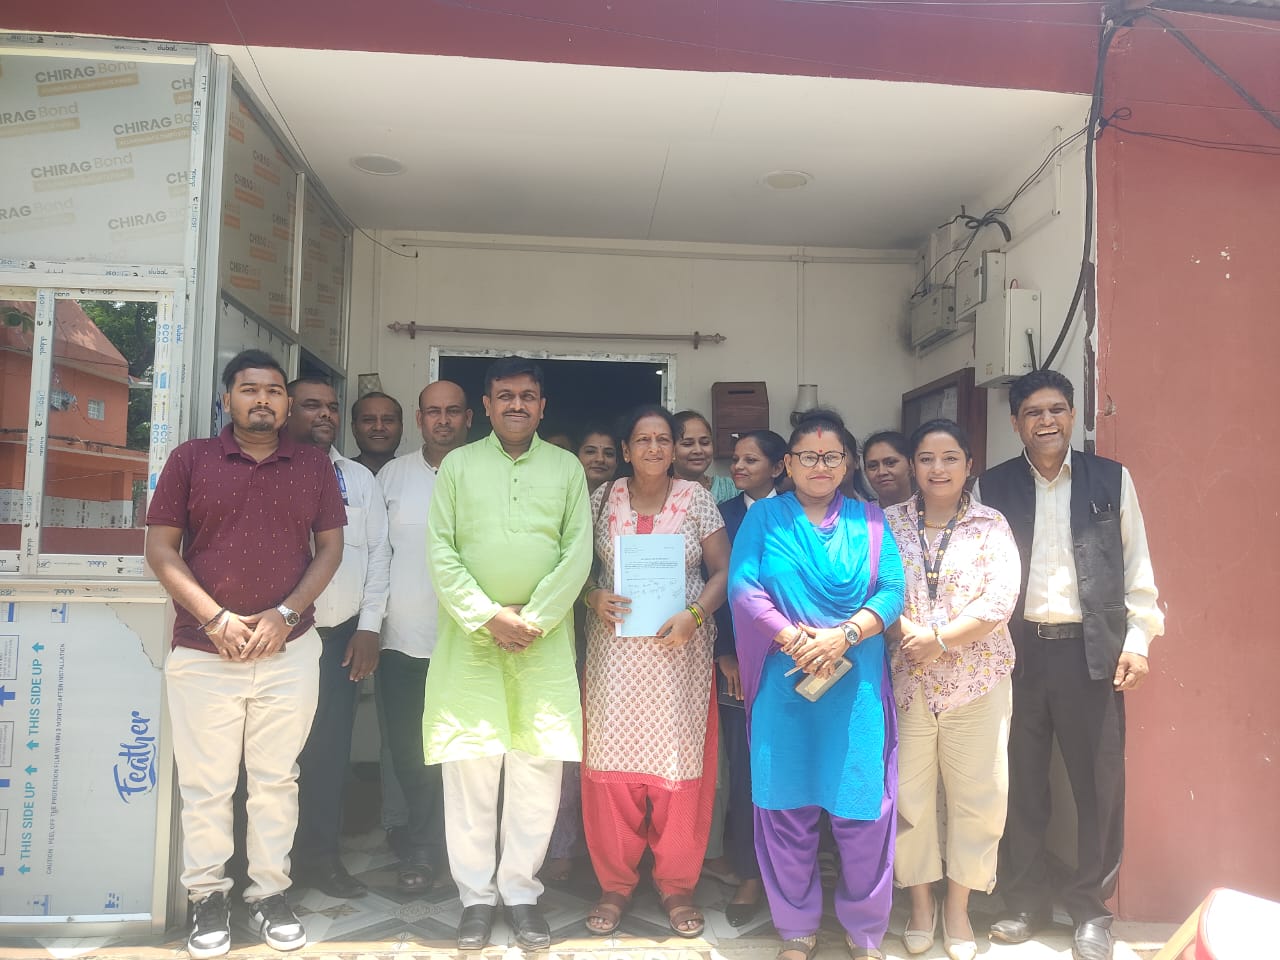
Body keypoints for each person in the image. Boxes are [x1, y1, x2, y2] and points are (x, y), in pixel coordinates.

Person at [145, 350, 346, 958]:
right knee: (206, 785)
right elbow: (160, 549)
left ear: (287, 403)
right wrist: (215, 619)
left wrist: (286, 616)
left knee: (276, 780)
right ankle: (208, 897)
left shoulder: (312, 465)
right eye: (250, 389)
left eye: (274, 391)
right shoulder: (191, 459)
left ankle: (268, 894)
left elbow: (329, 550)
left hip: (288, 651)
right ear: (227, 399)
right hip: (203, 651)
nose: (263, 400)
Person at [978, 370, 1163, 960]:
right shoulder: (991, 486)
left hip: (1092, 653)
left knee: (1098, 786)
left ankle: (1090, 910)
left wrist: (1139, 639)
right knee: (1019, 781)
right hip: (1016, 655)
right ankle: (1025, 901)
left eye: (1057, 409)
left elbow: (1136, 565)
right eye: (1033, 412)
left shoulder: (1111, 479)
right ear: (1016, 423)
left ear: (1073, 414)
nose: (1047, 421)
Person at [423, 356, 592, 951]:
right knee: (470, 765)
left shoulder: (567, 468)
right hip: (470, 640)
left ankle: (521, 892)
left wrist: (534, 619)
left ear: (542, 407)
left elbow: (577, 552)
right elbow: (440, 551)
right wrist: (488, 616)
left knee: (537, 767)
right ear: (487, 406)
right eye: (505, 396)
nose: (516, 405)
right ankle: (475, 897)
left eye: (527, 396)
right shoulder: (458, 466)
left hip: (542, 643)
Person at [728, 408, 905, 960]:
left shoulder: (871, 521)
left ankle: (864, 929)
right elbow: (743, 588)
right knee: (786, 808)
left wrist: (843, 635)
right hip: (785, 685)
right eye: (808, 455)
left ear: (847, 463)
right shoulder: (765, 518)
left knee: (862, 810)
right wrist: (792, 639)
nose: (820, 465)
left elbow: (892, 591)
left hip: (855, 688)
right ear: (788, 463)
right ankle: (796, 928)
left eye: (832, 456)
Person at [579, 405, 730, 938]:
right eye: (642, 440)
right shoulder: (601, 499)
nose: (654, 448)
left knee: (677, 770)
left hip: (679, 659)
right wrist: (592, 595)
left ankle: (677, 885)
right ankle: (615, 884)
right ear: (625, 450)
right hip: (614, 661)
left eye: (663, 439)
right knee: (611, 770)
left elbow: (723, 571)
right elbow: (574, 569)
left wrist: (696, 615)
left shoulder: (697, 500)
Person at [882, 419, 1020, 960]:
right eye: (926, 459)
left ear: (969, 464)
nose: (937, 469)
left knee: (979, 797)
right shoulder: (888, 522)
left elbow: (1000, 598)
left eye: (949, 458)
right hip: (908, 681)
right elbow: (873, 589)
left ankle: (959, 906)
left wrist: (940, 640)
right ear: (913, 466)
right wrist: (906, 633)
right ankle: (921, 904)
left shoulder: (991, 523)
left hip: (977, 680)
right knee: (908, 796)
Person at [285, 377, 389, 900]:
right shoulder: (270, 471)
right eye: (311, 406)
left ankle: (322, 860)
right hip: (279, 637)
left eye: (330, 407)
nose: (324, 414)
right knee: (274, 758)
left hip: (338, 637)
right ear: (286, 410)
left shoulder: (357, 478)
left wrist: (369, 626)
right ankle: (269, 870)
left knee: (328, 756)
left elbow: (378, 554)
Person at [376, 380, 472, 893]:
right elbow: (376, 555)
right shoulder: (392, 476)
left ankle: (464, 851)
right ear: (419, 419)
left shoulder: (485, 471)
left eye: (453, 411)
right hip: (403, 640)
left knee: (468, 753)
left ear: (469, 417)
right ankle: (422, 844)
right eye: (433, 411)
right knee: (411, 750)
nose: (443, 420)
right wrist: (370, 626)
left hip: (473, 641)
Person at [713, 429, 787, 926]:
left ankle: (792, 873)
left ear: (779, 466)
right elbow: (715, 586)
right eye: (736, 459)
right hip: (740, 664)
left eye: (751, 460)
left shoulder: (800, 513)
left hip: (800, 660)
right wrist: (726, 651)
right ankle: (749, 873)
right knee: (746, 770)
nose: (738, 467)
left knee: (792, 769)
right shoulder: (723, 516)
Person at [544, 422, 621, 884]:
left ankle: (603, 848)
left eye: (608, 452)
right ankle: (561, 846)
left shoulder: (625, 501)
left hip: (613, 641)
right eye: (589, 450)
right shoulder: (557, 501)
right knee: (562, 745)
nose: (599, 460)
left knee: (601, 746)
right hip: (560, 634)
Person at [674, 409, 737, 503]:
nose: (698, 450)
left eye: (705, 443)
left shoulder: (730, 489)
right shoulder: (659, 493)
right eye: (687, 444)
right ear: (670, 449)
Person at [350, 391, 404, 475]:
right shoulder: (337, 474)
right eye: (369, 420)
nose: (379, 427)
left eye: (388, 420)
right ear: (354, 428)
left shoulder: (413, 475)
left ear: (401, 428)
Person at [863, 430, 914, 507]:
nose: (881, 472)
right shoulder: (861, 513)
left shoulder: (930, 510)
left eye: (890, 463)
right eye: (873, 466)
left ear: (911, 465)